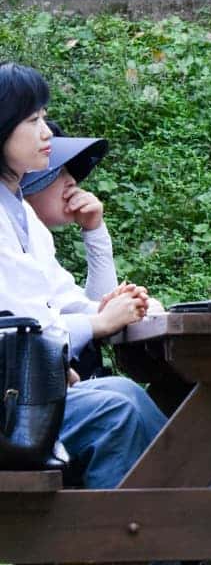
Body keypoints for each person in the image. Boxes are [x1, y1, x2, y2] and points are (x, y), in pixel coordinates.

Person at [0, 63, 211, 565]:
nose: (47, 132)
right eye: (33, 120)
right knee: (118, 404)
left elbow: (65, 302)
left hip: (34, 392)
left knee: (119, 400)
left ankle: (172, 563)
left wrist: (108, 308)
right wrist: (95, 324)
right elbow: (26, 323)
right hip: (13, 402)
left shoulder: (22, 217)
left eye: (45, 118)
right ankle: (201, 540)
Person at [21, 121, 119, 378]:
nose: (72, 181)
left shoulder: (36, 242)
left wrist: (95, 231)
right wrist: (105, 318)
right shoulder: (12, 245)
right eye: (56, 172)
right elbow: (40, 333)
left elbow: (95, 305)